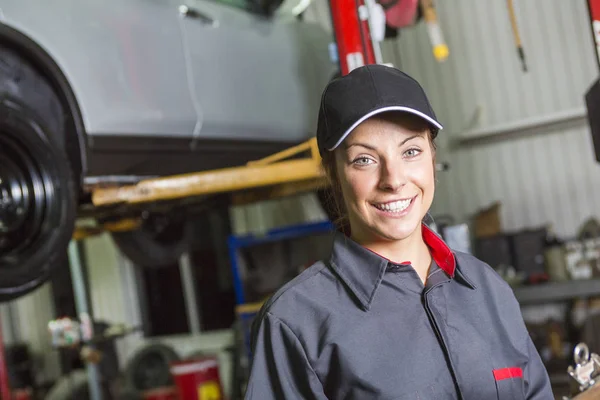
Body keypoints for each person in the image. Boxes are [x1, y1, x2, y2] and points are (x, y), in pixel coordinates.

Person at [243, 64, 553, 399]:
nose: (393, 179)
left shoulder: (488, 289)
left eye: (410, 151)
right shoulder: (294, 323)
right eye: (364, 159)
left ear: (432, 157)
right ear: (333, 174)